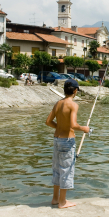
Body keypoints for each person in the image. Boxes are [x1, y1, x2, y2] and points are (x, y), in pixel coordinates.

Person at [45, 79, 90, 209]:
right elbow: (73, 125)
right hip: (67, 141)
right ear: (75, 91)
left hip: (57, 139)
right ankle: (62, 202)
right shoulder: (73, 105)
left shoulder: (58, 103)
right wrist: (84, 129)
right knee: (66, 170)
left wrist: (60, 127)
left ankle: (55, 198)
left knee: (57, 169)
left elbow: (48, 122)